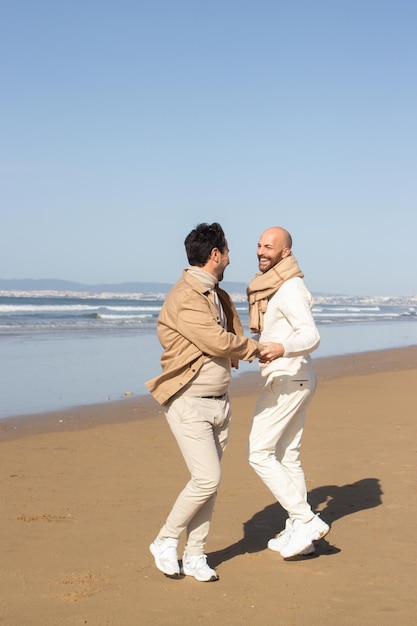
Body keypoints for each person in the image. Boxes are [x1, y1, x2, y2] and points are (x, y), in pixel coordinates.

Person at [146, 222, 278, 582]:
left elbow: (229, 330)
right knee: (207, 479)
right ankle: (165, 539)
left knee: (210, 483)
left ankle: (194, 554)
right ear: (215, 254)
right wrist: (254, 349)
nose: (232, 258)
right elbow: (216, 340)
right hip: (189, 401)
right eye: (228, 251)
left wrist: (243, 341)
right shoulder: (186, 296)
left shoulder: (214, 293)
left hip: (219, 402)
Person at [247, 226, 329, 559]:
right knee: (287, 456)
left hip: (288, 379)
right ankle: (301, 534)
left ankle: (305, 518)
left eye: (270, 246)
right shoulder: (276, 287)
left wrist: (281, 347)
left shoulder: (291, 288)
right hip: (296, 378)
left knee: (259, 453)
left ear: (286, 253)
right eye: (259, 245)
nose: (261, 251)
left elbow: (311, 336)